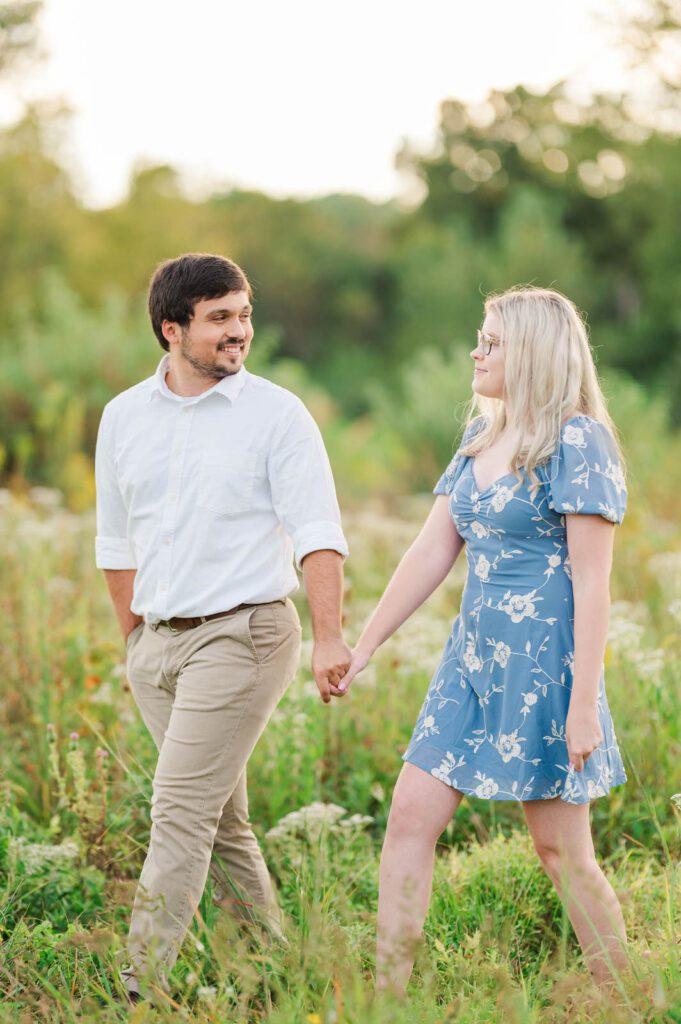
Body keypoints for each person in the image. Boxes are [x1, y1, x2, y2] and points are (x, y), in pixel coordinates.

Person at [338, 287, 629, 994]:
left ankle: (623, 996)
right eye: (479, 337)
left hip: (547, 670)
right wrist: (365, 644)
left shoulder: (576, 440)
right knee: (408, 817)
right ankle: (389, 997)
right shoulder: (477, 440)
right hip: (469, 667)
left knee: (559, 851)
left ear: (529, 352)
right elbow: (430, 553)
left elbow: (593, 583)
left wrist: (582, 705)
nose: (476, 351)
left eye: (490, 342)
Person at [94, 252, 350, 1000]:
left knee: (176, 810)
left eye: (242, 314)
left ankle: (138, 991)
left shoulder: (276, 414)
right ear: (171, 329)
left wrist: (330, 635)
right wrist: (135, 639)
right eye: (219, 319)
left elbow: (316, 531)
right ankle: (270, 974)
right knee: (219, 820)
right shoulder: (122, 418)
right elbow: (116, 540)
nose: (239, 331)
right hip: (157, 646)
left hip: (244, 636)